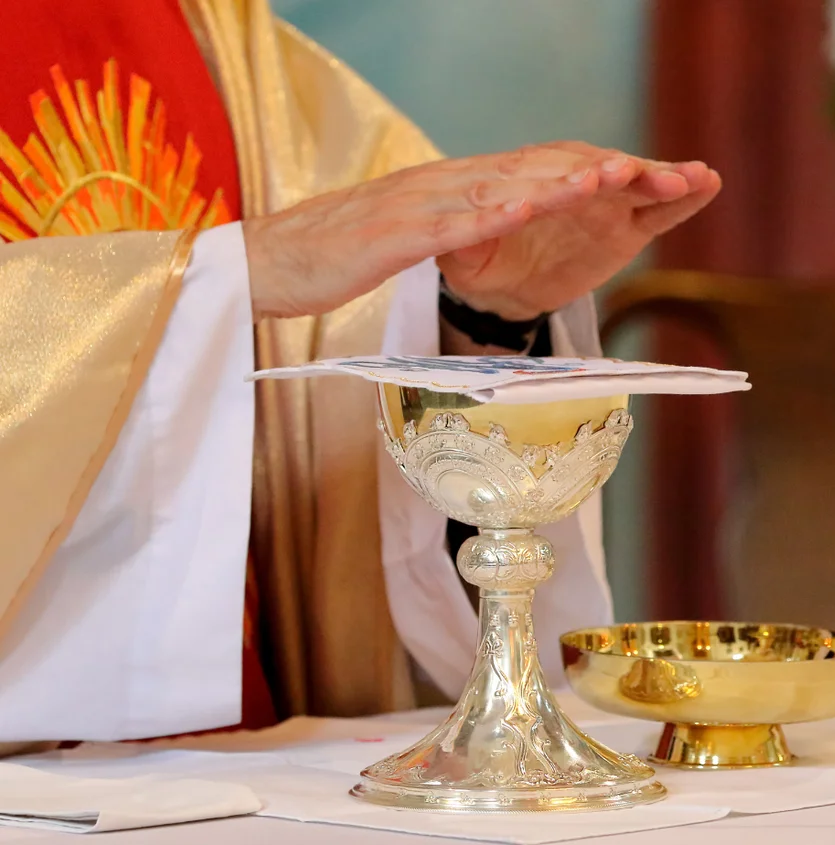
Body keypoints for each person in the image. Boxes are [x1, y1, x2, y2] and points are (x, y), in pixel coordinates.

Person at [0, 0, 721, 747]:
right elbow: (272, 258)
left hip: (243, 777)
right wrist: (238, 271)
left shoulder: (215, 34)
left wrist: (475, 314)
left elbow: (361, 258)